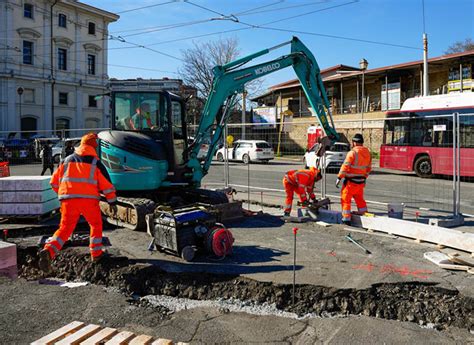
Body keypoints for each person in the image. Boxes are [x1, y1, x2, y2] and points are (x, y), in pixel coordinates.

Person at [38, 133, 118, 273]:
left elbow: (53, 182)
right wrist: (112, 201)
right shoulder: (95, 163)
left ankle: (49, 251)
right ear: (94, 146)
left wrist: (63, 194)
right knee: (95, 225)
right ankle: (96, 254)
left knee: (65, 229)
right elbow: (107, 186)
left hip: (68, 200)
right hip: (89, 201)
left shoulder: (66, 160)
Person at [336, 133, 372, 226]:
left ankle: (346, 219)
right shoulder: (368, 152)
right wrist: (363, 178)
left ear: (354, 143)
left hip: (350, 183)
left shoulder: (352, 153)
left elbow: (345, 166)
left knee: (345, 200)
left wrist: (339, 177)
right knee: (360, 200)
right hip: (360, 183)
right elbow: (368, 168)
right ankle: (365, 216)